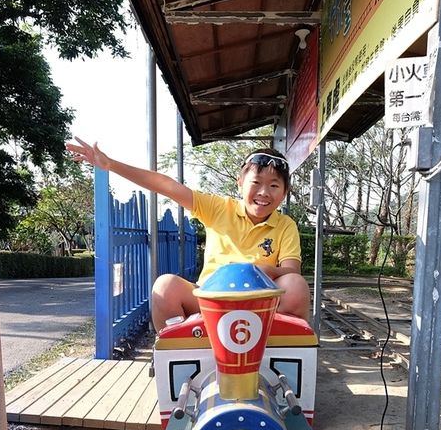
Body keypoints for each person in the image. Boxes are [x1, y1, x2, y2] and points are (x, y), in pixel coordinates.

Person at [66, 139, 310, 330]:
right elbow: (167, 185)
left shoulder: (285, 225)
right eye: (256, 183)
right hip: (210, 301)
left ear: (285, 192)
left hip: (261, 306)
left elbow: (291, 272)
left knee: (296, 286)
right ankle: (180, 348)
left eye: (274, 185)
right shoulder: (217, 207)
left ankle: (276, 346)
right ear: (240, 183)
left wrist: (262, 270)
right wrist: (112, 165)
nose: (264, 192)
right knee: (164, 287)